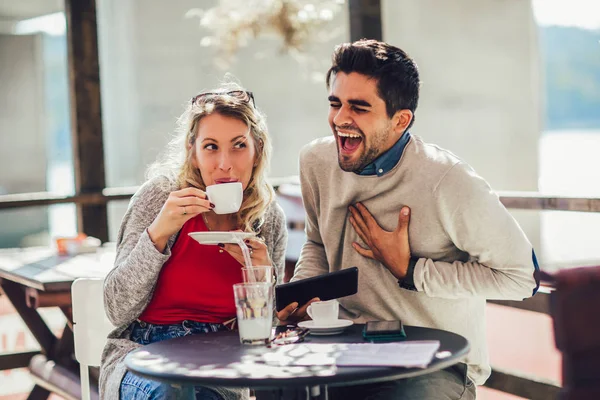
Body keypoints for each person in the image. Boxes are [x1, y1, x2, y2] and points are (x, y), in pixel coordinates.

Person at [277, 39, 540, 399]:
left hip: (433, 364)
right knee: (278, 389)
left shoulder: (448, 180)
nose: (340, 120)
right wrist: (302, 294)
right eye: (335, 103)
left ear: (400, 120)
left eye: (359, 108)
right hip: (343, 349)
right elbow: (319, 242)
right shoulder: (315, 161)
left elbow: (522, 277)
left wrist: (411, 270)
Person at [100, 83, 287, 400]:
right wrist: (158, 232)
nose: (224, 163)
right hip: (143, 355)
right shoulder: (160, 197)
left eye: (238, 146)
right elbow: (117, 310)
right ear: (194, 153)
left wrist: (262, 276)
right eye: (211, 147)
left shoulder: (266, 219)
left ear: (257, 151)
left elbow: (264, 331)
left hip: (221, 366)